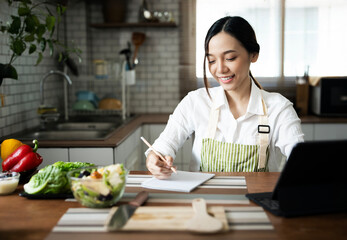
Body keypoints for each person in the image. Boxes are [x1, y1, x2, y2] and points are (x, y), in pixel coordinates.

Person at [145, 16, 304, 179]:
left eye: (230, 58)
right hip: (202, 202)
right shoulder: (196, 101)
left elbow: (301, 159)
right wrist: (155, 160)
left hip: (256, 202)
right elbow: (162, 147)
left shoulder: (279, 108)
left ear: (253, 54)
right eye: (212, 60)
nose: (220, 69)